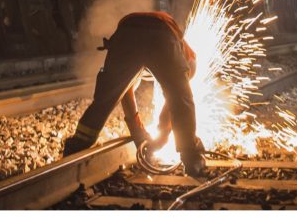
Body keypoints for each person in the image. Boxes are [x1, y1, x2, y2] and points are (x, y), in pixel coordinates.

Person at [63, 11, 206, 177]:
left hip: (126, 34)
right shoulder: (189, 59)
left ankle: (77, 146)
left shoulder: (179, 51)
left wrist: (139, 128)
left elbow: (124, 89)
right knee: (182, 99)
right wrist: (162, 132)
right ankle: (192, 158)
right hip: (161, 34)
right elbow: (177, 98)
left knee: (105, 100)